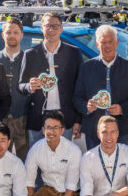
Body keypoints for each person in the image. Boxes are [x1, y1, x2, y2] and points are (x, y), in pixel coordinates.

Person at [74, 25, 128, 150]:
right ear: (97, 44)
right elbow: (77, 98)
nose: (107, 46)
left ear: (116, 43)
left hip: (120, 129)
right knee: (95, 166)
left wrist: (122, 108)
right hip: (94, 129)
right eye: (103, 42)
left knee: (120, 165)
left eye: (110, 42)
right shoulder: (86, 67)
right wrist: (86, 107)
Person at [18, 13, 82, 146]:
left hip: (65, 118)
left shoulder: (73, 53)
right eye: (48, 26)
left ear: (61, 29)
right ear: (41, 28)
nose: (51, 30)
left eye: (55, 26)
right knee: (38, 159)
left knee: (63, 159)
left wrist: (78, 120)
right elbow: (21, 86)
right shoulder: (30, 54)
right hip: (38, 119)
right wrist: (29, 86)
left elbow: (80, 89)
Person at [0, 17, 32, 160]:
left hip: (23, 118)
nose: (12, 35)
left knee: (25, 159)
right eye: (8, 32)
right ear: (3, 35)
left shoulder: (30, 58)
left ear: (21, 34)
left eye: (15, 32)